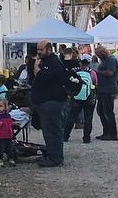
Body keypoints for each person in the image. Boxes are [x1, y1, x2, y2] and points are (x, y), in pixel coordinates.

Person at [30, 40, 68, 168]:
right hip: (45, 102)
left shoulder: (53, 62)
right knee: (48, 130)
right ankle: (52, 154)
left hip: (53, 102)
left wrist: (36, 68)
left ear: (49, 49)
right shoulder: (45, 61)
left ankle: (55, 158)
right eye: (38, 50)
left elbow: (42, 78)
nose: (38, 52)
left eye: (41, 50)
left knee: (52, 130)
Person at [63, 52, 97, 144]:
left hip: (76, 97)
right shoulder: (92, 73)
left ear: (80, 61)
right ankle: (86, 138)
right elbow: (95, 84)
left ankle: (65, 136)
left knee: (72, 117)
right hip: (89, 98)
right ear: (89, 62)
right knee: (88, 118)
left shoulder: (76, 71)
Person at [93, 44, 118, 140]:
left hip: (108, 89)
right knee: (101, 111)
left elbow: (110, 73)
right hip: (102, 89)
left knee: (108, 112)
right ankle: (106, 132)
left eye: (98, 55)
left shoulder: (111, 60)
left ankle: (112, 134)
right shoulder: (105, 60)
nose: (98, 57)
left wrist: (97, 72)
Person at [0, 97, 16, 167]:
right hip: (0, 136)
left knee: (10, 148)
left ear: (5, 107)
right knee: (1, 149)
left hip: (9, 135)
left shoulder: (8, 115)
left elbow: (10, 122)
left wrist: (14, 123)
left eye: (0, 106)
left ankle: (11, 159)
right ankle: (0, 160)